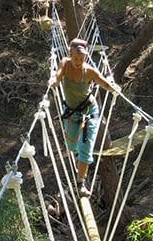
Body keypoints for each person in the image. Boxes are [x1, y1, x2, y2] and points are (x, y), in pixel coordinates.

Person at [49, 38, 119, 196]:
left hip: (89, 112)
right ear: (70, 55)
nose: (78, 61)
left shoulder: (89, 71)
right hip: (70, 112)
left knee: (86, 148)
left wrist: (113, 88)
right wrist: (53, 80)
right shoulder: (65, 64)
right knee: (73, 146)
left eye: (81, 58)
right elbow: (57, 76)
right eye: (75, 58)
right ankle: (78, 159)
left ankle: (80, 184)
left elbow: (104, 83)